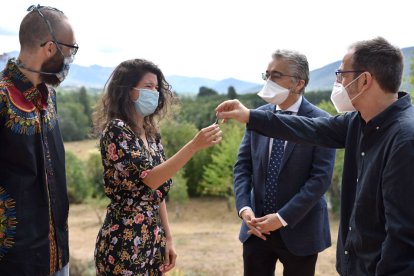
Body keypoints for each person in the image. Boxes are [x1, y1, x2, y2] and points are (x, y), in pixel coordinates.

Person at [216, 37, 414, 275]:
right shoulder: (358, 123)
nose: (338, 81)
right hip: (357, 264)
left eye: (342, 74)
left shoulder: (404, 139)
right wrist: (250, 116)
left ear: (364, 80)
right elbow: (311, 129)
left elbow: (403, 236)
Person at [93, 58, 222, 275]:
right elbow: (150, 177)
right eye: (147, 86)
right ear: (128, 91)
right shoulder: (117, 130)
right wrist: (193, 146)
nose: (154, 92)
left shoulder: (151, 133)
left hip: (153, 240)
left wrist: (168, 238)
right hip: (125, 241)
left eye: (156, 87)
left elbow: (157, 190)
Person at [234, 49, 336, 276]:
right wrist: (244, 208)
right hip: (256, 229)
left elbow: (319, 180)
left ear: (299, 84)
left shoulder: (322, 122)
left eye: (276, 75)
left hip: (300, 231)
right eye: (267, 74)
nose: (269, 80)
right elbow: (243, 167)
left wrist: (281, 219)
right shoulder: (257, 116)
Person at [0, 4, 77, 276]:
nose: (71, 59)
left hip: (58, 256)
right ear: (51, 48)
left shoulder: (49, 98)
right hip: (14, 262)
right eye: (71, 50)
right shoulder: (2, 98)